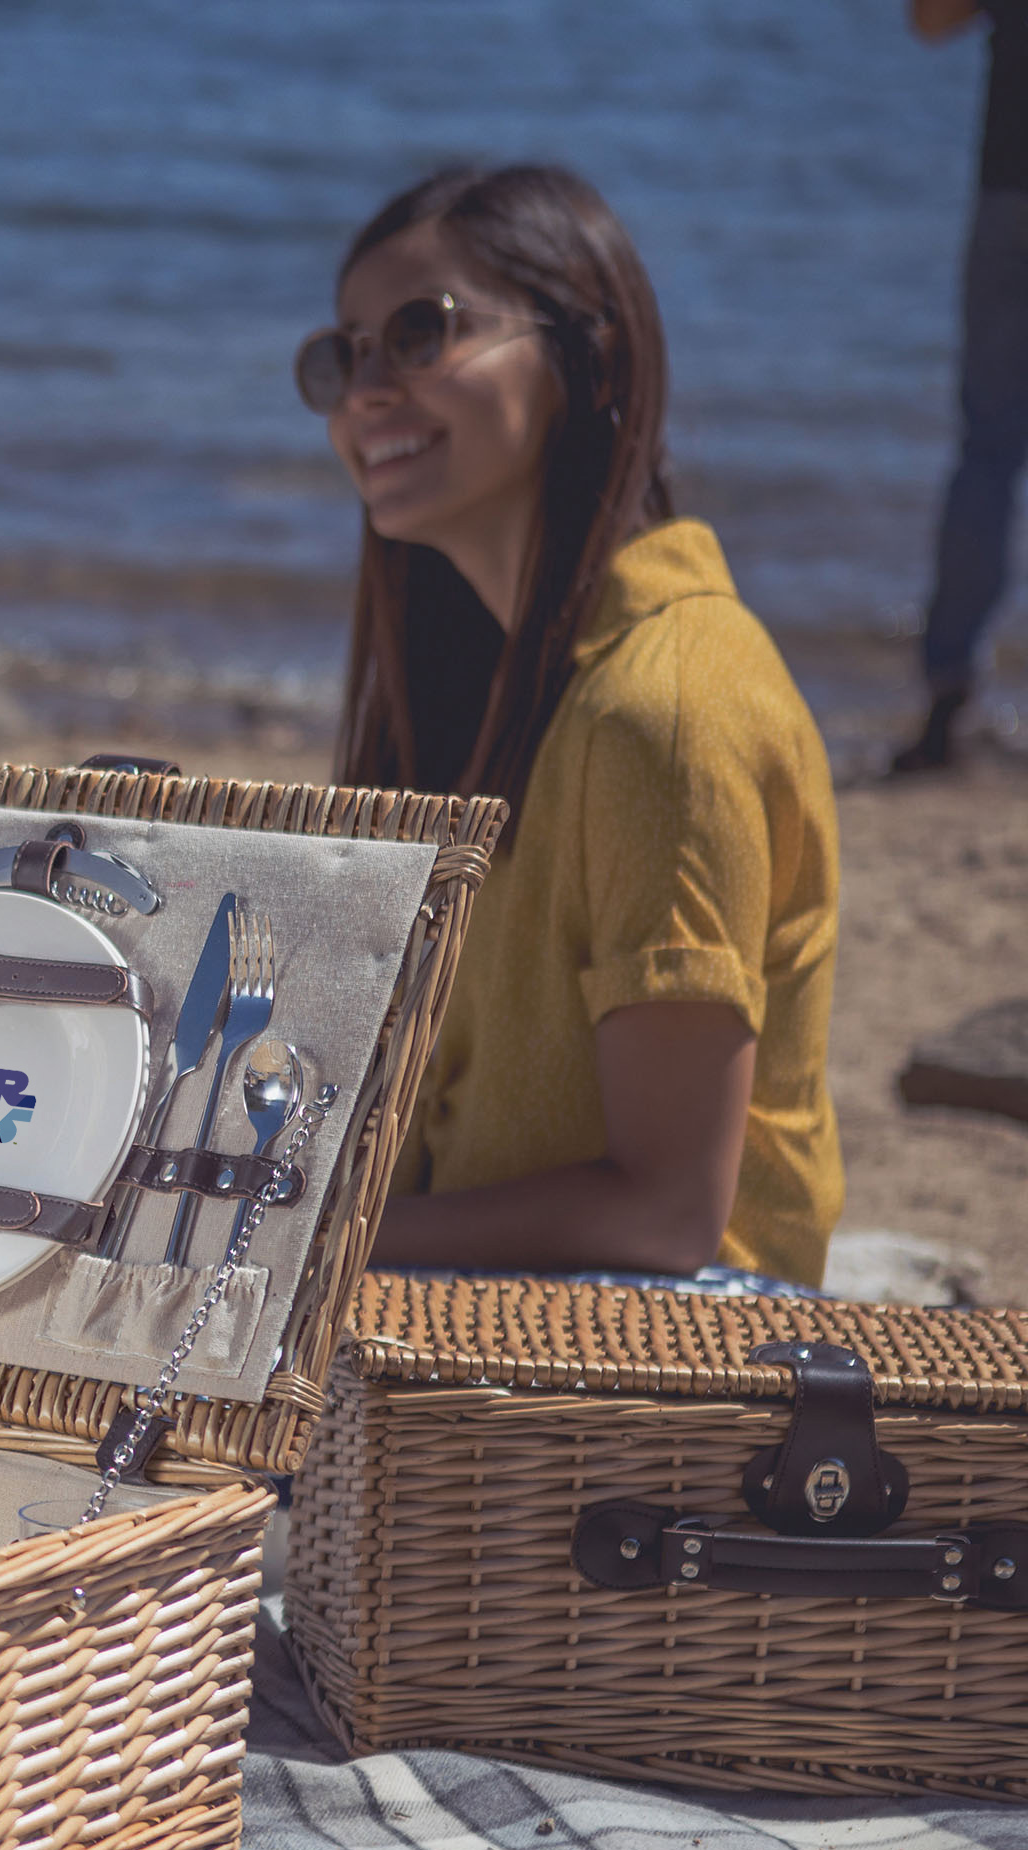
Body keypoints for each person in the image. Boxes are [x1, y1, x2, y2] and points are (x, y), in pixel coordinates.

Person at [306, 164, 841, 1285]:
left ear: (585, 354)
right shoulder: (511, 690)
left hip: (662, 1377)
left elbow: (669, 1218)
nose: (364, 391)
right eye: (342, 355)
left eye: (420, 333)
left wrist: (310, 1246)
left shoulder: (668, 712)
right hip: (500, 1330)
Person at [896, 0, 1028, 773]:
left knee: (986, 449)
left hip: (1009, 193)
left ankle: (947, 697)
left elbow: (931, 19)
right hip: (1006, 192)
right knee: (985, 449)